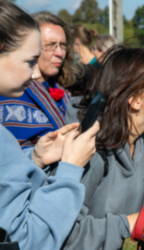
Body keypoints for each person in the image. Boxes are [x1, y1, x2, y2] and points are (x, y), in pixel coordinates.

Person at [60, 44, 144, 249]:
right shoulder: (91, 152)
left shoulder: (138, 142)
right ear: (135, 100)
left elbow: (138, 208)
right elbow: (65, 234)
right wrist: (125, 225)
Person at [0, 1, 99, 250]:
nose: (35, 75)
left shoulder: (62, 93)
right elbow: (24, 241)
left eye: (63, 45)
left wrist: (33, 158)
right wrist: (69, 169)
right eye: (29, 60)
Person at [0, 11, 78, 148]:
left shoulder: (60, 89)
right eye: (50, 45)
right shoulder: (12, 91)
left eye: (63, 45)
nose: (59, 53)